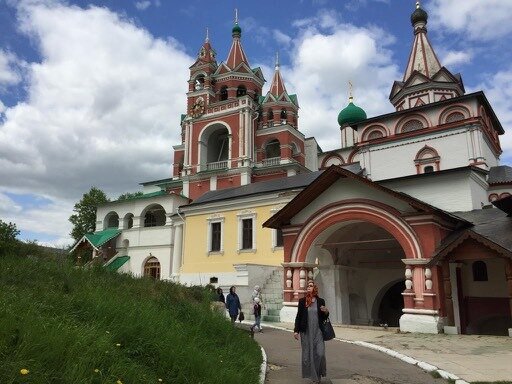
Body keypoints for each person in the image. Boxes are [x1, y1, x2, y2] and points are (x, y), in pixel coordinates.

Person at [293, 281, 329, 384]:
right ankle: (315, 378)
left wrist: (326, 311)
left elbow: (324, 317)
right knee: (309, 355)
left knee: (320, 354)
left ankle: (318, 374)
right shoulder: (302, 301)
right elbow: (298, 317)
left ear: (315, 288)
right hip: (306, 332)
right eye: (308, 286)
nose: (309, 287)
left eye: (311, 285)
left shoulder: (321, 301)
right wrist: (296, 331)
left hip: (318, 332)